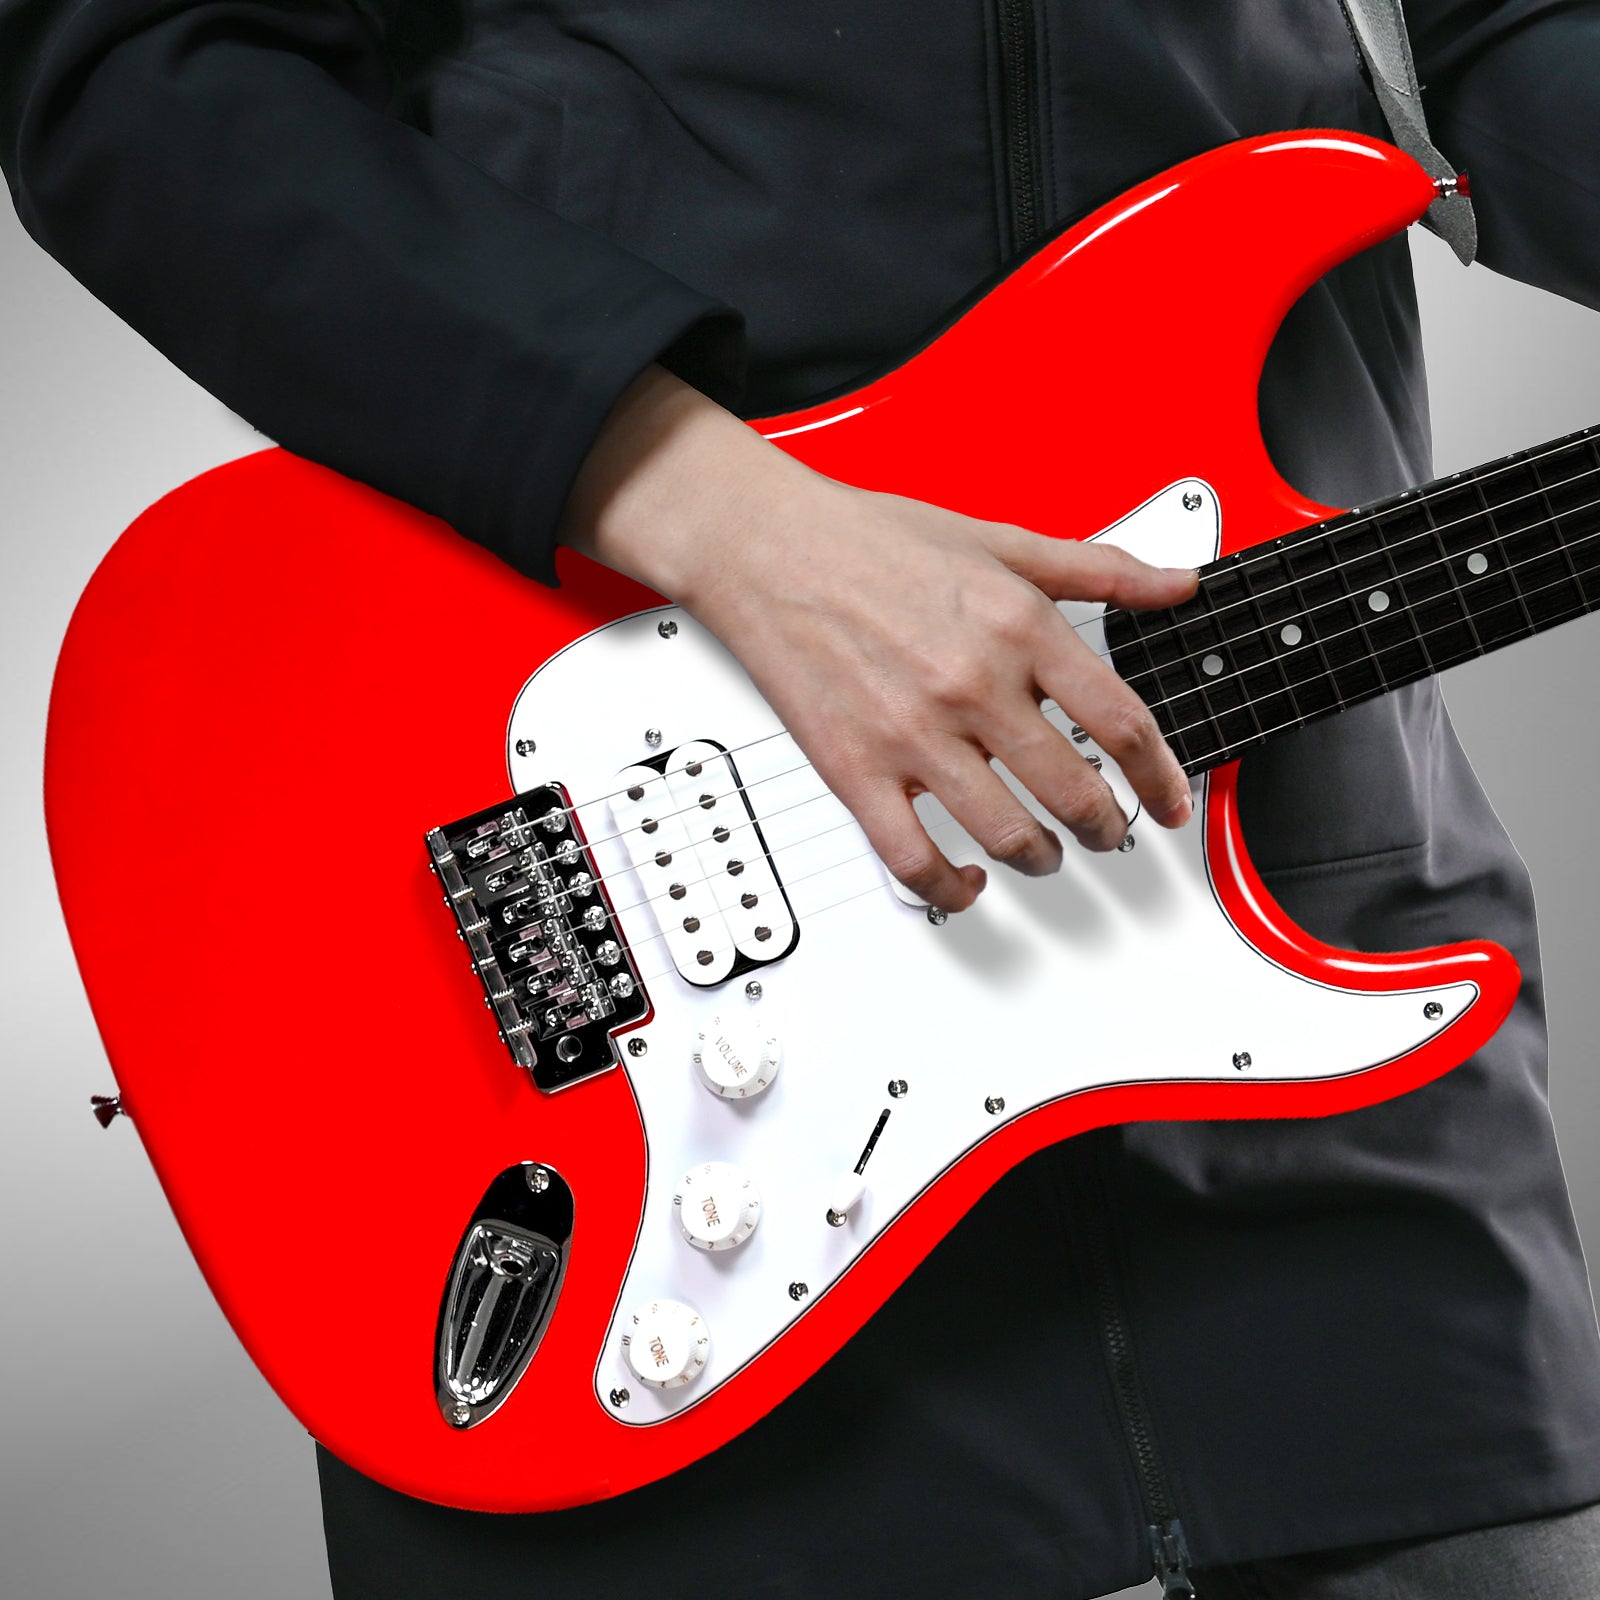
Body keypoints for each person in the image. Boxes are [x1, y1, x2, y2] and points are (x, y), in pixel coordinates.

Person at [4, 2, 1600, 1596]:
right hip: (631, 980)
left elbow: (1479, 30)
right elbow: (136, 70)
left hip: (1302, 925)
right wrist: (718, 516)